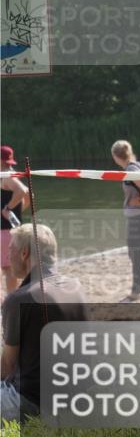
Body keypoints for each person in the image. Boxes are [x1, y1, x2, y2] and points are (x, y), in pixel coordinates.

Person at [1, 224, 88, 421]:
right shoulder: (76, 286)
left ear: (24, 253)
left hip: (33, 401)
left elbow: (7, 366)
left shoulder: (18, 300)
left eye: (10, 250)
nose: (8, 256)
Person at [110, 141, 140, 302]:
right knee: (139, 254)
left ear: (116, 157)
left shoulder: (131, 169)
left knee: (136, 254)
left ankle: (135, 293)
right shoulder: (135, 166)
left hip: (139, 217)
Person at [1, 146, 29, 294]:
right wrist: (16, 211)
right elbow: (29, 196)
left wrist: (8, 209)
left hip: (6, 231)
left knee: (9, 269)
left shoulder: (5, 175)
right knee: (13, 268)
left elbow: (23, 191)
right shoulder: (12, 174)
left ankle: (12, 301)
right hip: (13, 228)